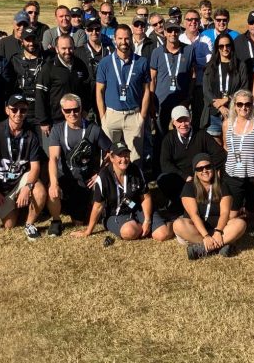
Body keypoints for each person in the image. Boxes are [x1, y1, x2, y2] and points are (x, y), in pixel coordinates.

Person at [74, 142, 171, 241]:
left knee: (162, 235)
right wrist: (88, 231)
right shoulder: (103, 176)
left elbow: (145, 197)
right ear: (112, 158)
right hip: (115, 214)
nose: (124, 159)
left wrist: (147, 220)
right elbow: (98, 206)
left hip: (136, 208)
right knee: (129, 232)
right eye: (120, 155)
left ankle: (170, 224)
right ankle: (138, 226)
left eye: (126, 155)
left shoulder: (136, 170)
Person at [46, 93, 112, 235]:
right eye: (67, 110)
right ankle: (56, 220)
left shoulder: (93, 129)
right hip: (64, 176)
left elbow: (110, 152)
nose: (72, 113)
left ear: (81, 108)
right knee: (52, 189)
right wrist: (54, 183)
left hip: (84, 179)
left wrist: (99, 173)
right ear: (62, 111)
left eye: (75, 109)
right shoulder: (57, 129)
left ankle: (81, 207)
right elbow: (53, 158)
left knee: (78, 222)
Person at [0, 94, 48, 240]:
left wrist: (27, 187)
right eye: (14, 109)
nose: (18, 113)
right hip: (1, 184)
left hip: (21, 178)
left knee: (39, 192)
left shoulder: (31, 134)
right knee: (9, 224)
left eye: (23, 110)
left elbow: (35, 166)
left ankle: (29, 224)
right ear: (7, 110)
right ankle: (17, 205)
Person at [173, 153, 247, 260]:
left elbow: (225, 213)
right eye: (200, 168)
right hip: (196, 231)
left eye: (208, 167)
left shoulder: (222, 185)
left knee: (240, 224)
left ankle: (203, 249)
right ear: (195, 172)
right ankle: (218, 246)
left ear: (213, 168)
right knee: (178, 224)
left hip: (219, 230)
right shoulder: (189, 186)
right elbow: (194, 215)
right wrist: (206, 236)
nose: (204, 170)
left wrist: (218, 232)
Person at [157, 105, 226, 217]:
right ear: (173, 122)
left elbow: (220, 154)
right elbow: (165, 163)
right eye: (179, 121)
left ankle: (204, 204)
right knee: (163, 179)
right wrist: (184, 176)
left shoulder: (201, 135)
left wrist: (205, 168)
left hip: (200, 173)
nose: (183, 124)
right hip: (180, 177)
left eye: (186, 120)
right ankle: (177, 204)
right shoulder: (168, 139)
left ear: (190, 119)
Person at [96, 24, 151, 161]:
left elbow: (146, 90)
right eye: (120, 38)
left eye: (126, 38)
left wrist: (142, 116)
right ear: (115, 39)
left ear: (131, 38)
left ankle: (135, 176)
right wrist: (103, 117)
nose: (123, 42)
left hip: (133, 115)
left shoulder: (141, 62)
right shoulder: (105, 63)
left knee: (135, 158)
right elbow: (99, 91)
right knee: (109, 157)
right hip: (111, 115)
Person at [223, 89, 254, 222]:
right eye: (240, 104)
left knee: (252, 213)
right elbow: (226, 146)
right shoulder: (227, 124)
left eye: (247, 104)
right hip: (233, 174)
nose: (243, 108)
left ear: (252, 105)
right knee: (231, 215)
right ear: (234, 105)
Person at [149, 19, 194, 142]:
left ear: (179, 32)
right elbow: (152, 78)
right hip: (161, 101)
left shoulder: (189, 50)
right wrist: (152, 102)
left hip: (181, 101)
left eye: (176, 30)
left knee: (182, 134)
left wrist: (188, 98)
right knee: (160, 135)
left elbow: (193, 76)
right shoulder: (157, 52)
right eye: (170, 30)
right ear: (164, 32)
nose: (173, 33)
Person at [202, 33, 246, 137]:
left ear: (232, 46)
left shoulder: (240, 65)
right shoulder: (210, 66)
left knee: (232, 145)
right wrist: (220, 106)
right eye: (221, 46)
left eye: (228, 45)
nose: (225, 49)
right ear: (217, 48)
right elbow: (206, 90)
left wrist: (227, 99)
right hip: (214, 114)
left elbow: (244, 88)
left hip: (234, 113)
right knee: (214, 146)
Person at [9, 25, 47, 130]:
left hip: (42, 112)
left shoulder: (47, 59)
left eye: (33, 39)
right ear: (22, 41)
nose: (31, 43)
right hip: (21, 112)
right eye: (28, 40)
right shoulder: (15, 60)